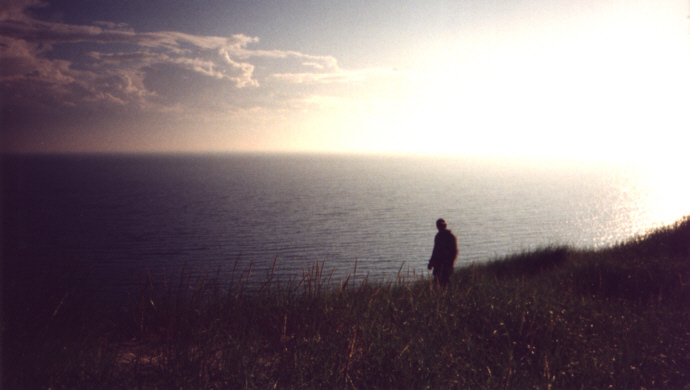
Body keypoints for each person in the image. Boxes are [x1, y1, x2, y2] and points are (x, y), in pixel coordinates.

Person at [427, 218, 458, 287]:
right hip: (438, 264)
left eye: (442, 225)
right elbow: (435, 250)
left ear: (445, 226)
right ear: (437, 226)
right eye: (439, 225)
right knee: (437, 283)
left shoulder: (451, 236)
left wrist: (450, 264)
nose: (440, 227)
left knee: (446, 283)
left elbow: (454, 252)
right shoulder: (438, 236)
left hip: (447, 264)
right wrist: (431, 263)